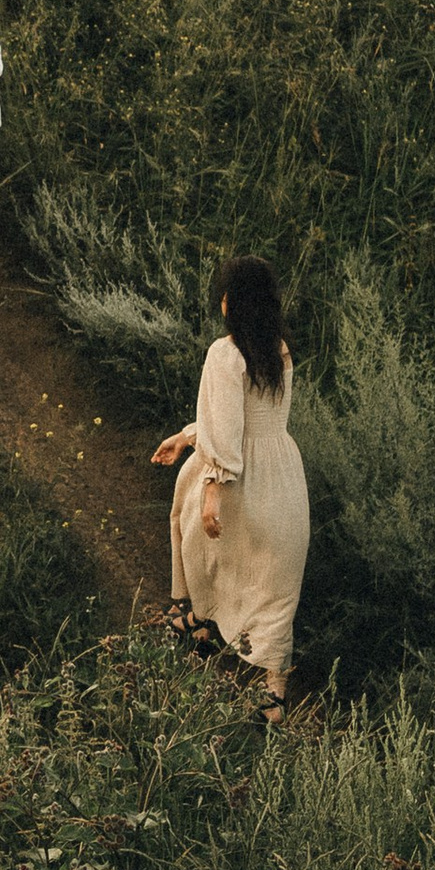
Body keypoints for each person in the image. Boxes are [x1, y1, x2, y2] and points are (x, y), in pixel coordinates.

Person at [152, 256, 310, 721]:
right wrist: (187, 436)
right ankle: (275, 694)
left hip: (236, 476)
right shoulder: (278, 350)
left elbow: (228, 428)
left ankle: (200, 619)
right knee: (273, 582)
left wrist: (213, 487)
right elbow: (247, 420)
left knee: (197, 529)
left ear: (233, 305)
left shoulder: (225, 354)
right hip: (280, 479)